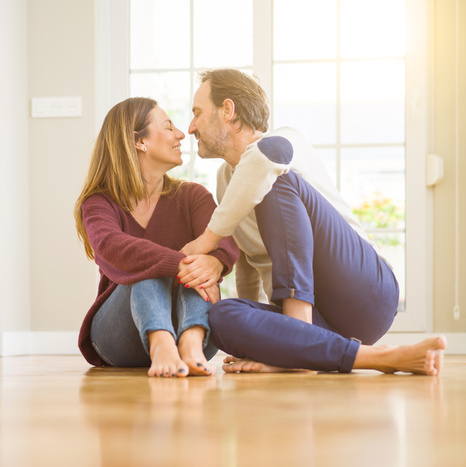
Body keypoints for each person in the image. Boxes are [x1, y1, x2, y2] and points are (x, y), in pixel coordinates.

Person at [178, 69, 446, 376]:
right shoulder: (226, 181)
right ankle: (324, 354)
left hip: (365, 293)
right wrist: (255, 341)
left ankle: (296, 341)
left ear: (228, 110)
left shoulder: (281, 142)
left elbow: (268, 158)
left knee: (275, 180)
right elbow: (250, 266)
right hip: (326, 327)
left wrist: (208, 239)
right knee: (223, 315)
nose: (190, 127)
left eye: (198, 113)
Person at [74, 97, 238, 377]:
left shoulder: (193, 196)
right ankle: (161, 343)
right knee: (151, 266)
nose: (181, 134)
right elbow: (113, 247)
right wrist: (179, 263)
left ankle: (190, 343)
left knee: (197, 266)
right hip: (119, 336)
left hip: (198, 333)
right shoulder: (99, 203)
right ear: (140, 142)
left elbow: (224, 238)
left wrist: (216, 263)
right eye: (168, 127)